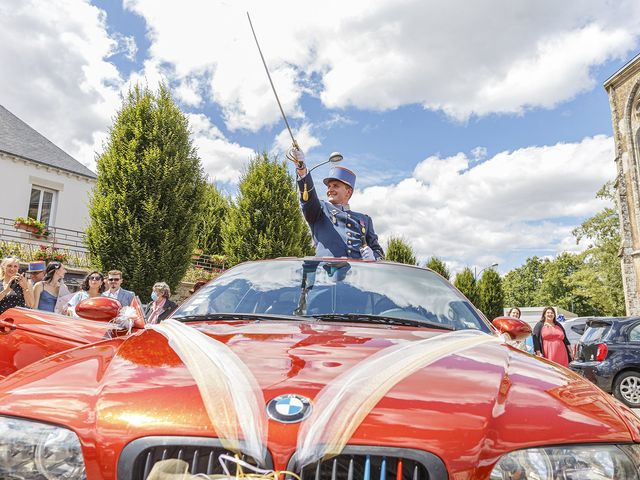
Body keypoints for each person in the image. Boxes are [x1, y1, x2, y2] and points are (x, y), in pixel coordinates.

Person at [288, 148, 384, 260]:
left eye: (335, 186)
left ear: (348, 192)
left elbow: (379, 252)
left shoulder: (365, 220)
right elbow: (309, 198)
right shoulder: (320, 209)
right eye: (329, 186)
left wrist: (374, 257)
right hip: (325, 275)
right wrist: (302, 169)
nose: (330, 189)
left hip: (357, 275)